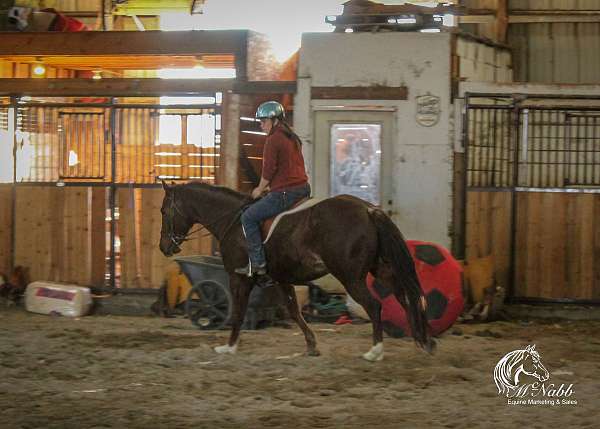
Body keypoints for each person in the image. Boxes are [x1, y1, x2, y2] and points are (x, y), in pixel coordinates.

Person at [235, 101, 310, 279]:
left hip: (286, 193)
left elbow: (268, 171)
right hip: (302, 189)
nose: (261, 125)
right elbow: (285, 169)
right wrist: (270, 186)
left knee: (248, 217)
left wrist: (259, 189)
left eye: (263, 121)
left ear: (275, 120)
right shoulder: (292, 137)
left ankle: (257, 262)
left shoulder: (273, 139)